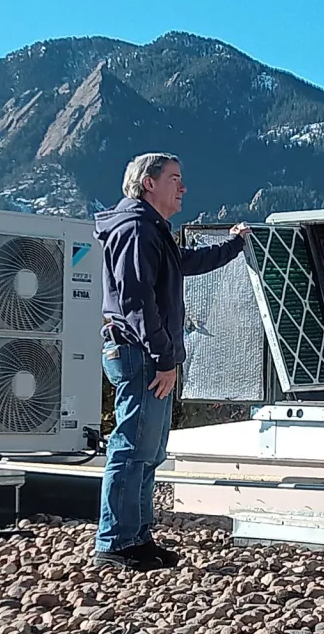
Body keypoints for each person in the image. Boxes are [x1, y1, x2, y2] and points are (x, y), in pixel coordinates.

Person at [92, 152, 250, 571]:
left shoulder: (152, 231)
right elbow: (136, 301)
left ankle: (137, 537)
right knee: (131, 449)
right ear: (149, 184)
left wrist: (234, 245)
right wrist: (164, 358)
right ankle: (117, 542)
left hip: (147, 355)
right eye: (175, 179)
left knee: (147, 450)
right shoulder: (136, 231)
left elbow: (185, 264)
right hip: (141, 355)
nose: (183, 188)